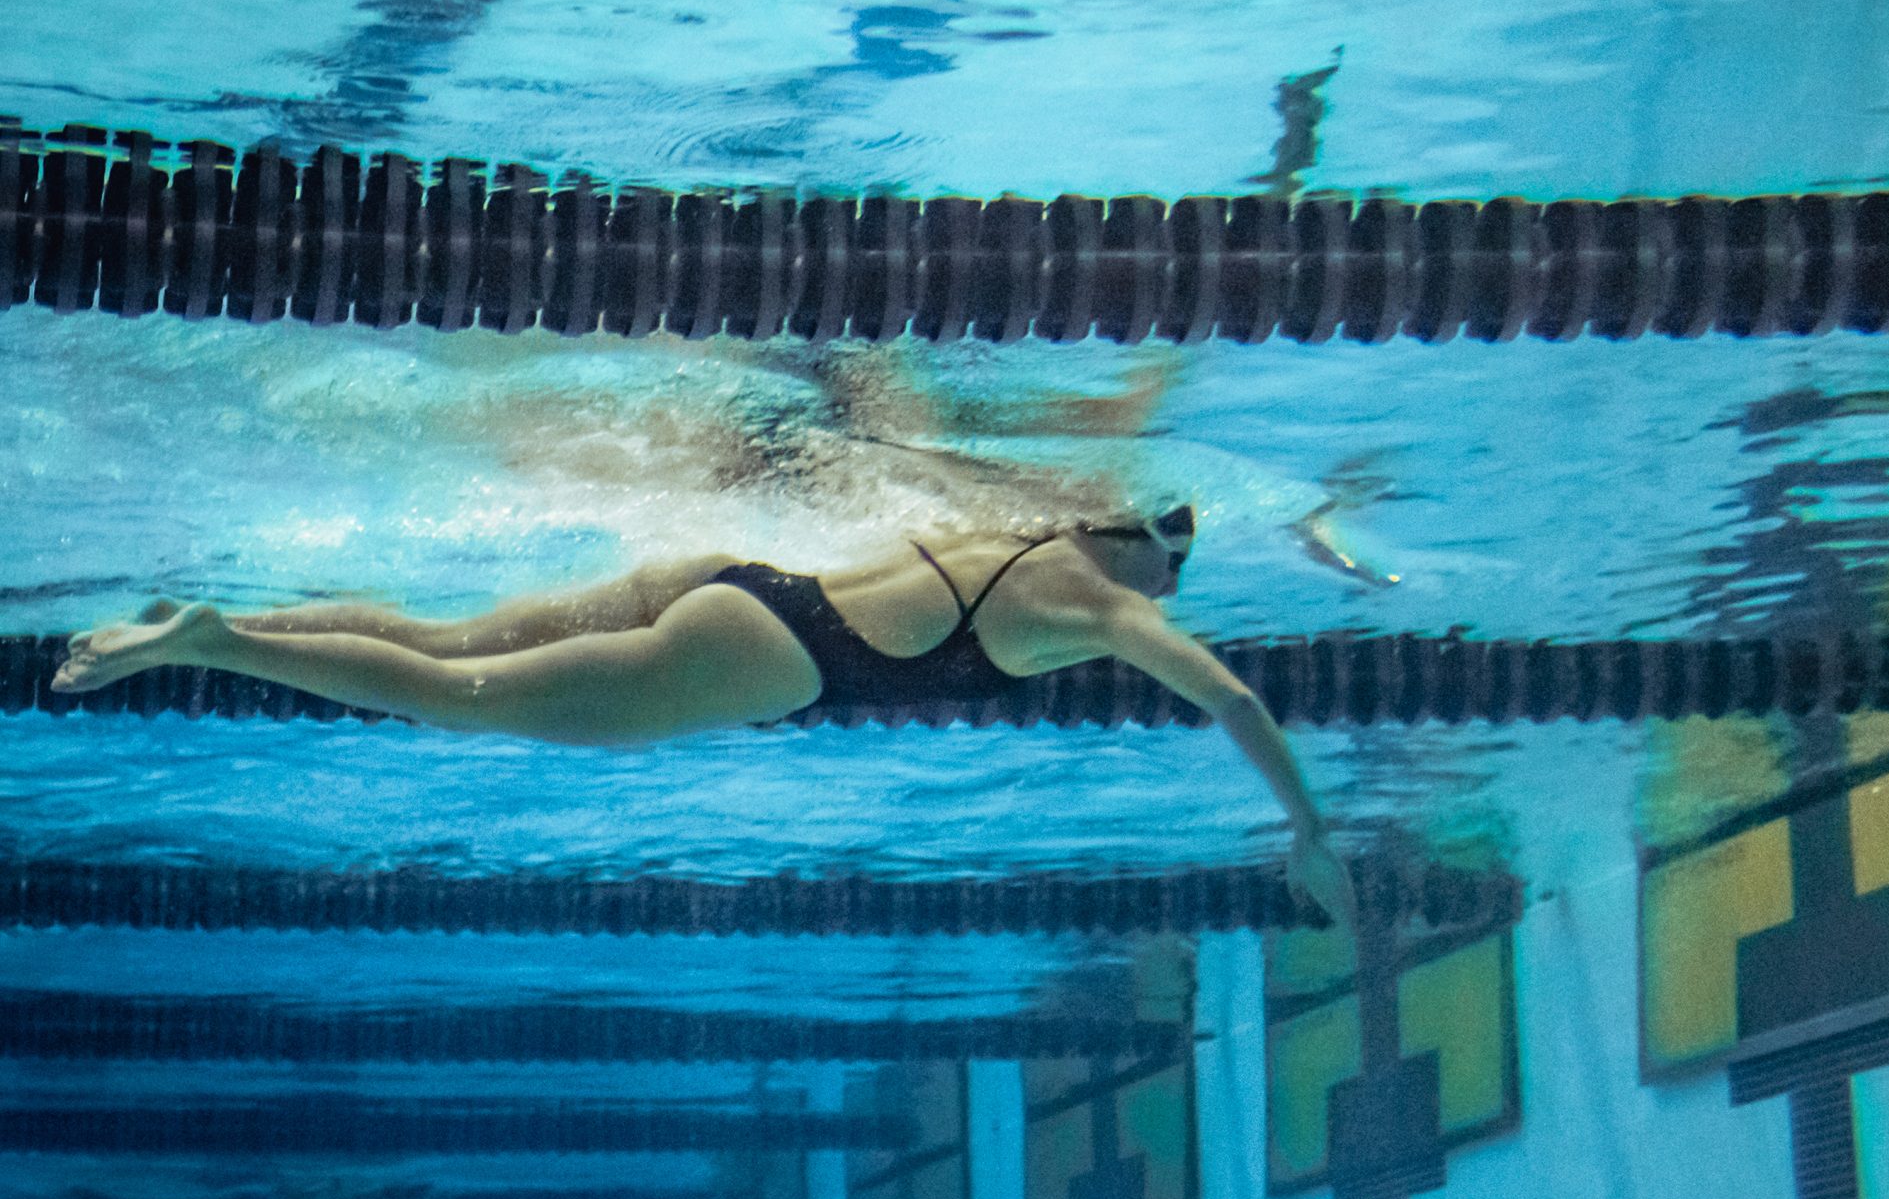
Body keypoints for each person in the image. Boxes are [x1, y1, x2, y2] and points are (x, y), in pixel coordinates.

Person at [50, 505, 1360, 932]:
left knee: (447, 634)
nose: (1169, 596)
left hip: (743, 577)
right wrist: (1305, 826)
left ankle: (227, 618)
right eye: (1175, 576)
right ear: (1154, 563)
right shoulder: (1108, 606)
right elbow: (1231, 693)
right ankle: (216, 639)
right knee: (464, 697)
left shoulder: (1023, 517)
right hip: (775, 650)